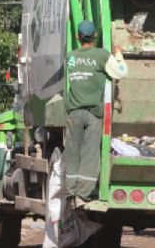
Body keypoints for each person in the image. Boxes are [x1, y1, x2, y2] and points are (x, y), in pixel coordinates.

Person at [65, 20, 128, 207]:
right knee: (90, 153)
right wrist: (118, 54)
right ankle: (83, 194)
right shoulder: (101, 55)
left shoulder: (71, 57)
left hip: (74, 112)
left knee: (72, 152)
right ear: (95, 36)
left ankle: (70, 190)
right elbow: (121, 73)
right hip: (93, 113)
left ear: (77, 37)